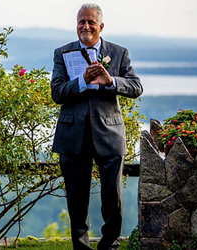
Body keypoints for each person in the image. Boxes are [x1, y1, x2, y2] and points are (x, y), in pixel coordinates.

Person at [50, 3, 143, 250]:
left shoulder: (119, 52)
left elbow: (136, 87)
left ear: (101, 26)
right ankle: (80, 247)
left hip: (109, 134)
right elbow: (57, 92)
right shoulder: (62, 53)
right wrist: (82, 81)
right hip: (72, 136)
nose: (86, 26)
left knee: (112, 197)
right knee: (76, 197)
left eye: (91, 22)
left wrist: (110, 80)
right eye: (82, 22)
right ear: (76, 25)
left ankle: (109, 245)